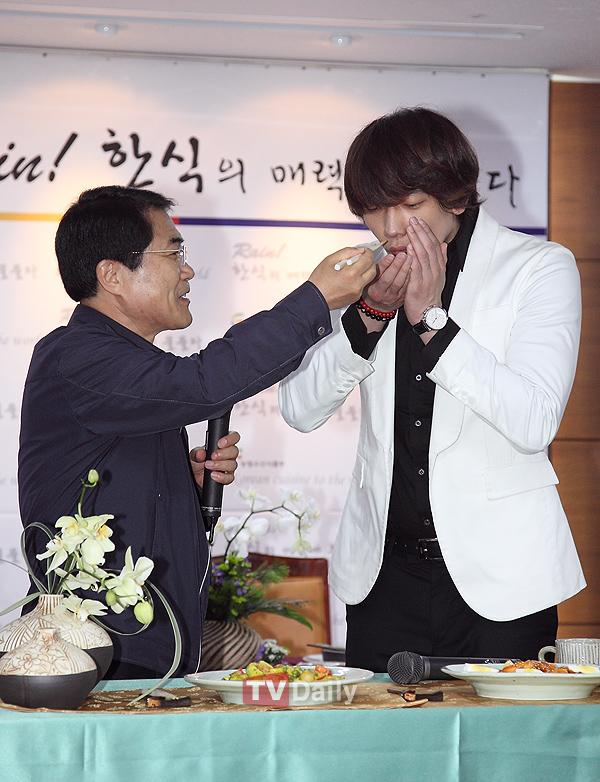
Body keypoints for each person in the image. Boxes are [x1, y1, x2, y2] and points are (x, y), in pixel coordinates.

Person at [18, 184, 376, 679]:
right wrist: (315, 300)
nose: (187, 271)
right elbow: (206, 383)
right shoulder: (77, 355)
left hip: (144, 650)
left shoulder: (123, 361)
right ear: (112, 275)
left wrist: (180, 482)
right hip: (93, 654)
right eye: (173, 254)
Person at [279, 107, 585, 671]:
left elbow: (535, 420)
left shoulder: (538, 267)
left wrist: (431, 321)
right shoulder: (364, 275)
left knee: (503, 730)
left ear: (457, 198)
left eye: (412, 204)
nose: (392, 228)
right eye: (374, 209)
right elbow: (299, 408)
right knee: (380, 729)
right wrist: (371, 315)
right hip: (383, 577)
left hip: (502, 580)